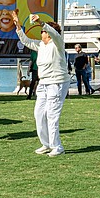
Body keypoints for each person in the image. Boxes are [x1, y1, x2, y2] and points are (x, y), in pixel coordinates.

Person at [13, 12, 71, 156]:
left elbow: (55, 34)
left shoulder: (58, 43)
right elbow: (26, 41)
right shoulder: (41, 46)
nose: (41, 33)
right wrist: (18, 25)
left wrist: (42, 22)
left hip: (57, 83)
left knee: (52, 115)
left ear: (49, 33)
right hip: (43, 83)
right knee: (39, 114)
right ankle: (46, 144)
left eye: (43, 31)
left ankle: (57, 147)